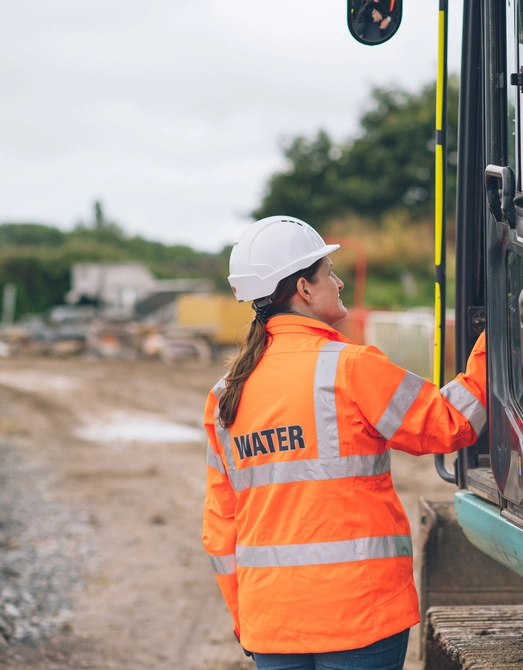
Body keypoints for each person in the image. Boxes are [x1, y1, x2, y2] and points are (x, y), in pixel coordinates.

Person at [201, 215, 487, 670]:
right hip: (360, 616)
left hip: (271, 624)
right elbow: (448, 423)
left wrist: (248, 620)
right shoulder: (351, 368)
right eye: (328, 273)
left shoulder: (225, 394)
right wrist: (500, 344)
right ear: (304, 289)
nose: (337, 282)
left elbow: (220, 529)